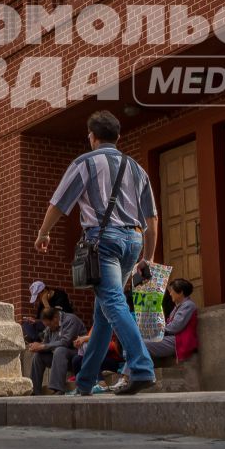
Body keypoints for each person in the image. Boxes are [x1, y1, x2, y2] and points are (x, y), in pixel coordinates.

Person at [35, 111, 160, 398]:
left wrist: (43, 233)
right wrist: (148, 257)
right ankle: (84, 383)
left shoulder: (85, 163)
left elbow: (58, 203)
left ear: (91, 137)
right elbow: (152, 219)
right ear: (118, 137)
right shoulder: (137, 169)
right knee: (103, 313)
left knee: (113, 302)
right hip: (134, 241)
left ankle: (141, 367)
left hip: (102, 241)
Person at [27, 302, 86, 394]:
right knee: (39, 356)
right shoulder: (50, 327)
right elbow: (46, 343)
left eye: (49, 325)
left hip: (77, 355)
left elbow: (65, 342)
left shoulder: (71, 320)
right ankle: (34, 390)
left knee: (60, 350)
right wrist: (37, 346)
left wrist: (42, 346)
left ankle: (58, 388)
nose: (48, 328)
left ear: (55, 318)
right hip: (59, 359)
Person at [143, 278, 199, 366]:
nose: (170, 293)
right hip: (171, 338)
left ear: (180, 292)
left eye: (172, 291)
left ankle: (127, 376)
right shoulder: (177, 307)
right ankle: (127, 375)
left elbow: (175, 327)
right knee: (137, 342)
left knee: (142, 343)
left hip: (178, 340)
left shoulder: (188, 305)